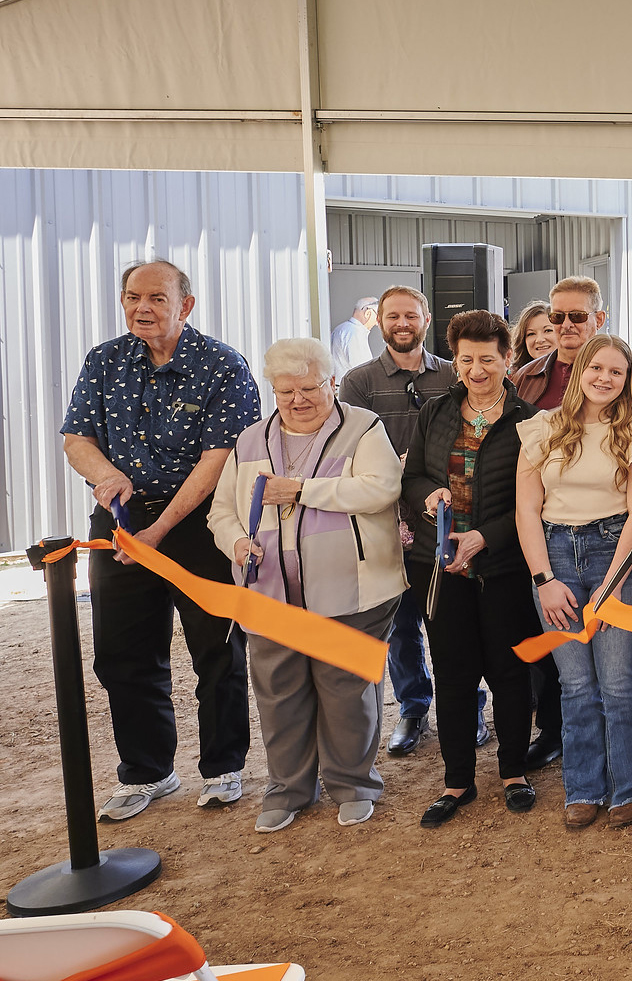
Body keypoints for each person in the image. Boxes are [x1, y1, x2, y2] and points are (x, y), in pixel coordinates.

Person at [61, 259, 258, 821]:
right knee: (122, 651)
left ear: (185, 305)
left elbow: (220, 458)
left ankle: (223, 768)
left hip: (196, 523)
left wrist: (161, 528)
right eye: (131, 297)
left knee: (216, 647)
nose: (140, 308)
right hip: (121, 522)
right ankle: (148, 772)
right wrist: (105, 474)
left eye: (155, 298)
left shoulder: (222, 365)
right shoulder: (104, 361)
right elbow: (77, 438)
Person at [209, 336, 403, 832]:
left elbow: (381, 489)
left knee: (345, 688)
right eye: (285, 391)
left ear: (332, 383)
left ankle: (353, 783)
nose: (297, 400)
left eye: (309, 389)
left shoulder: (364, 427)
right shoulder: (250, 440)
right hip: (269, 589)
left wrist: (300, 489)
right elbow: (222, 512)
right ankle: (288, 787)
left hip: (353, 586)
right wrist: (235, 543)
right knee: (279, 689)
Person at [402, 310, 546, 827]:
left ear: (509, 359)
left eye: (488, 358)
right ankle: (456, 780)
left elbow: (534, 502)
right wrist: (428, 499)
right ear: (454, 361)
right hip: (438, 565)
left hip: (503, 564)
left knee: (509, 672)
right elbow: (412, 477)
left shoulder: (530, 420)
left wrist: (485, 536)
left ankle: (513, 772)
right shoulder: (435, 412)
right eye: (467, 359)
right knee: (454, 674)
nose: (477, 369)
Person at [516, 333, 632, 830]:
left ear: (627, 381)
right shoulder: (540, 429)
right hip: (555, 552)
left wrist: (613, 583)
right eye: (597, 368)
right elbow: (526, 511)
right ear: (581, 372)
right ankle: (583, 787)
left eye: (616, 372)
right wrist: (544, 580)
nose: (604, 378)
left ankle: (631, 786)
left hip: (616, 549)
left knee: (617, 680)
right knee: (575, 683)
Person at [339, 285, 474, 758]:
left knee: (454, 615)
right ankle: (414, 706)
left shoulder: (453, 376)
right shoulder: (358, 382)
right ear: (379, 320)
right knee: (400, 622)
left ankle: (470, 702)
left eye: (410, 315)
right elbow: (349, 451)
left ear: (426, 319)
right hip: (383, 520)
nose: (402, 323)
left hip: (446, 515)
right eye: (392, 315)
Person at [511, 277, 632, 412]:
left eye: (577, 316)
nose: (566, 324)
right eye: (558, 316)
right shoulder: (525, 376)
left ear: (599, 320)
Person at [329, 297, 378, 376]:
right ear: (368, 313)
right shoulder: (355, 333)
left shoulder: (342, 328)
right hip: (349, 386)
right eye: (377, 316)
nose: (377, 323)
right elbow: (362, 370)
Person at [509, 302, 556, 371]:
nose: (539, 340)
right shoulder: (515, 378)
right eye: (531, 334)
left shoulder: (576, 373)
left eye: (547, 330)